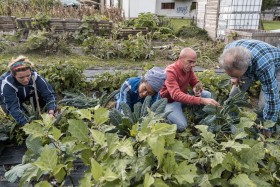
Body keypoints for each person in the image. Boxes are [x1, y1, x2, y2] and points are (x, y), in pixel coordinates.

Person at [219, 39, 280, 123]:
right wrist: (234, 77)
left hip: (277, 66)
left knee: (264, 103)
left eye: (236, 75)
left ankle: (262, 123)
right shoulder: (228, 51)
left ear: (246, 68)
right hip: (252, 57)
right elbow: (232, 69)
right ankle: (230, 118)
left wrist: (268, 126)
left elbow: (272, 98)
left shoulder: (264, 66)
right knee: (234, 95)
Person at [160, 47, 220, 132]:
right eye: (190, 61)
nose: (193, 65)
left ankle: (205, 118)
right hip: (169, 101)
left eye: (194, 62)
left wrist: (196, 88)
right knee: (182, 126)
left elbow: (195, 82)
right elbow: (176, 95)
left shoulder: (188, 69)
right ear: (180, 59)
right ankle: (164, 117)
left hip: (182, 97)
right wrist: (201, 100)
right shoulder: (170, 71)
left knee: (207, 95)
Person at [0, 55, 56, 126]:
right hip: (8, 97)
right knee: (12, 111)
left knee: (44, 106)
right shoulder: (7, 83)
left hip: (29, 92)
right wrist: (26, 125)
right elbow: (13, 106)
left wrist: (51, 112)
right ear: (14, 76)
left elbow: (49, 94)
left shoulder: (35, 77)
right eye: (21, 77)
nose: (26, 80)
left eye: (28, 76)